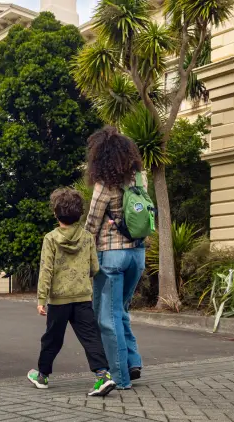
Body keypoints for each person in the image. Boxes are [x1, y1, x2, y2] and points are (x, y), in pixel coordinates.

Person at [27, 187, 117, 397]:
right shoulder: (87, 237)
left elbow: (46, 270)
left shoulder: (50, 238)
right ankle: (103, 376)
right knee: (91, 337)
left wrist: (42, 298)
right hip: (83, 298)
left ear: (56, 213)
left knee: (52, 338)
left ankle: (42, 376)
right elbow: (95, 268)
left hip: (58, 300)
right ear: (79, 213)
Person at [84, 126, 147, 390]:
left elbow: (91, 224)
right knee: (120, 312)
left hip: (111, 257)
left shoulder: (104, 185)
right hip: (137, 254)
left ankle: (119, 378)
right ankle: (132, 362)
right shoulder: (138, 179)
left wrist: (82, 254)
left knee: (107, 318)